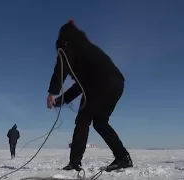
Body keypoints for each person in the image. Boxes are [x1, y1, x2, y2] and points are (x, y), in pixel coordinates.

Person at [46, 19, 133, 172]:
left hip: (100, 83)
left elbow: (61, 67)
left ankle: (74, 163)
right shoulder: (85, 49)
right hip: (117, 83)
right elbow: (81, 85)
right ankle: (122, 157)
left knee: (83, 120)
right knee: (99, 122)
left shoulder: (66, 44)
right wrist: (60, 100)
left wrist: (52, 92)